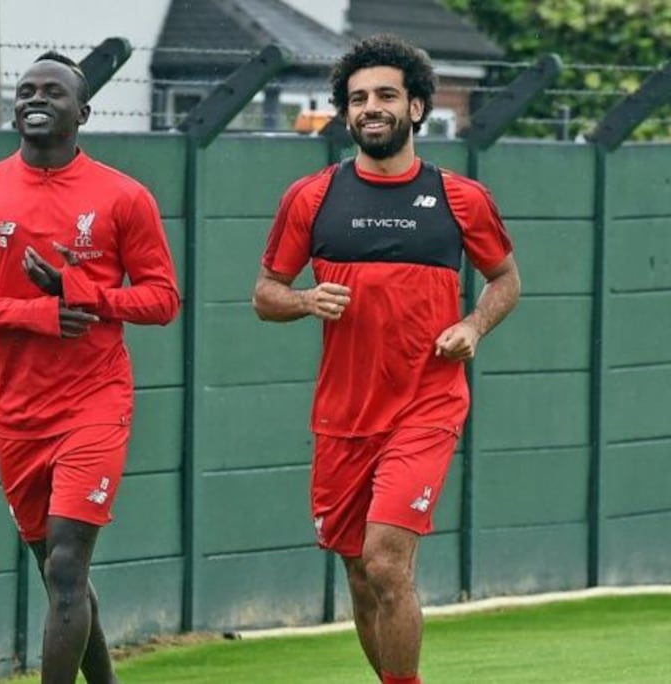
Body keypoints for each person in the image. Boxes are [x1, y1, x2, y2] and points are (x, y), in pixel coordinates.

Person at [251, 34, 520, 684]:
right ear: (346, 112)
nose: (370, 107)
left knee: (386, 562)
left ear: (417, 107)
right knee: (359, 572)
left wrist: (473, 325)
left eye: (385, 96)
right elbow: (265, 294)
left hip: (427, 405)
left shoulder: (460, 198)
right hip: (342, 417)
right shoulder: (311, 197)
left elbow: (505, 279)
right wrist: (306, 299)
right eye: (357, 98)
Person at [0, 52, 180, 683]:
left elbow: (162, 300)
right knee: (59, 575)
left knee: (67, 566)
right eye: (27, 90)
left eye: (53, 92)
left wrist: (81, 292)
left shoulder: (124, 196)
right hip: (18, 412)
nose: (36, 99)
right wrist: (34, 313)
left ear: (83, 113)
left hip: (95, 401)